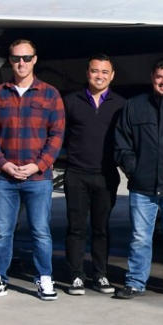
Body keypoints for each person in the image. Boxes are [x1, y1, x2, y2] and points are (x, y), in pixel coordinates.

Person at [0, 39, 65, 301]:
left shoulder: (50, 94)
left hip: (38, 177)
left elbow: (57, 135)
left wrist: (38, 164)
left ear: (35, 59)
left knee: (41, 230)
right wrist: (3, 163)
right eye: (16, 58)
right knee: (3, 231)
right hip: (4, 176)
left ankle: (45, 279)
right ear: (10, 60)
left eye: (26, 58)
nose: (21, 63)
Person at [112, 60, 163, 300]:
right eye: (160, 77)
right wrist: (134, 170)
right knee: (140, 237)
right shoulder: (134, 106)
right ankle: (136, 282)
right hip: (142, 186)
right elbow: (122, 142)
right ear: (152, 77)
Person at [61, 55, 124, 295]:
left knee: (101, 228)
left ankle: (101, 274)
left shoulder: (120, 104)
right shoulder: (71, 101)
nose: (100, 76)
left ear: (112, 75)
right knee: (76, 228)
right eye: (95, 71)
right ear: (88, 73)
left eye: (104, 72)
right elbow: (60, 135)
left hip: (106, 175)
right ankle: (76, 275)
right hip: (76, 174)